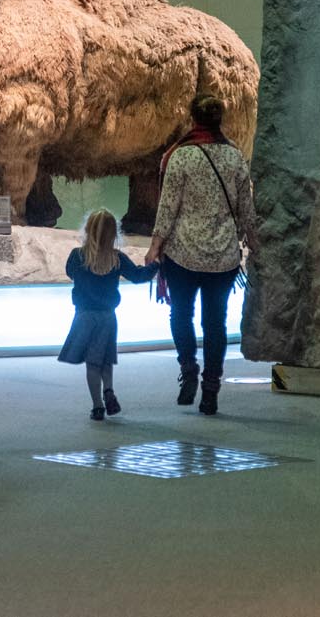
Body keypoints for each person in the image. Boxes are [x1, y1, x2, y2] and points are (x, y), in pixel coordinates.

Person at [145, 93, 256, 416]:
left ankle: (188, 368)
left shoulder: (180, 157)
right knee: (215, 323)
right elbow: (246, 209)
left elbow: (168, 208)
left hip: (182, 254)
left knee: (180, 314)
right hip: (222, 257)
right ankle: (211, 390)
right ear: (219, 119)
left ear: (193, 119)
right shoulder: (235, 158)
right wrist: (255, 242)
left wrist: (155, 246)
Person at [58, 209, 157, 420]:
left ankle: (97, 406)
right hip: (108, 317)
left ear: (87, 230)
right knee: (105, 358)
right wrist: (158, 264)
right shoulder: (117, 258)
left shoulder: (77, 256)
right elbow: (139, 276)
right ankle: (109, 390)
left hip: (84, 316)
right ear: (114, 234)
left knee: (92, 363)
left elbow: (69, 272)